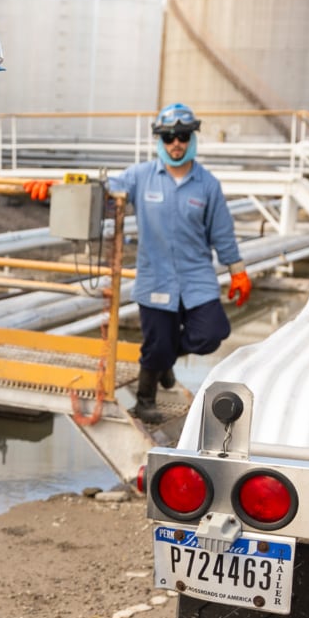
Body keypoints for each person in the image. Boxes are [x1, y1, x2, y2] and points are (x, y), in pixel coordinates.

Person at [107, 103, 248, 423]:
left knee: (212, 332)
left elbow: (222, 232)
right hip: (155, 279)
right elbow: (107, 191)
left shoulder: (207, 185)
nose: (176, 143)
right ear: (160, 139)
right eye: (169, 136)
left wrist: (237, 272)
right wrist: (62, 189)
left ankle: (165, 360)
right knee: (157, 343)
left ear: (192, 138)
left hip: (196, 278)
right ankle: (145, 401)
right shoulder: (141, 176)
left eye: (182, 136)